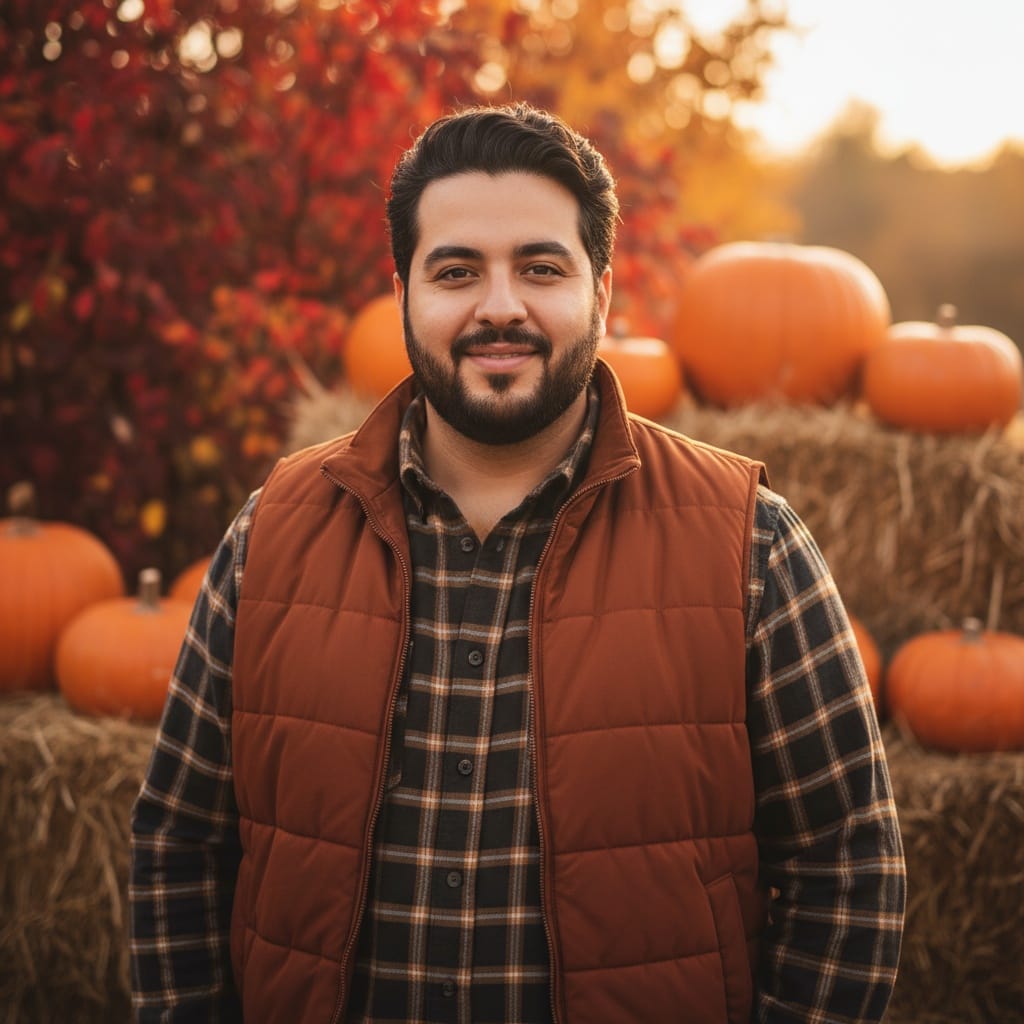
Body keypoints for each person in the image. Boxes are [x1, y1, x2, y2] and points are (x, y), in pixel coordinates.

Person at [130, 102, 906, 1024]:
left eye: (540, 268)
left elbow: (847, 865)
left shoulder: (752, 545)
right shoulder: (272, 535)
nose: (500, 306)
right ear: (405, 294)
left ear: (603, 295)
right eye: (457, 272)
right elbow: (179, 845)